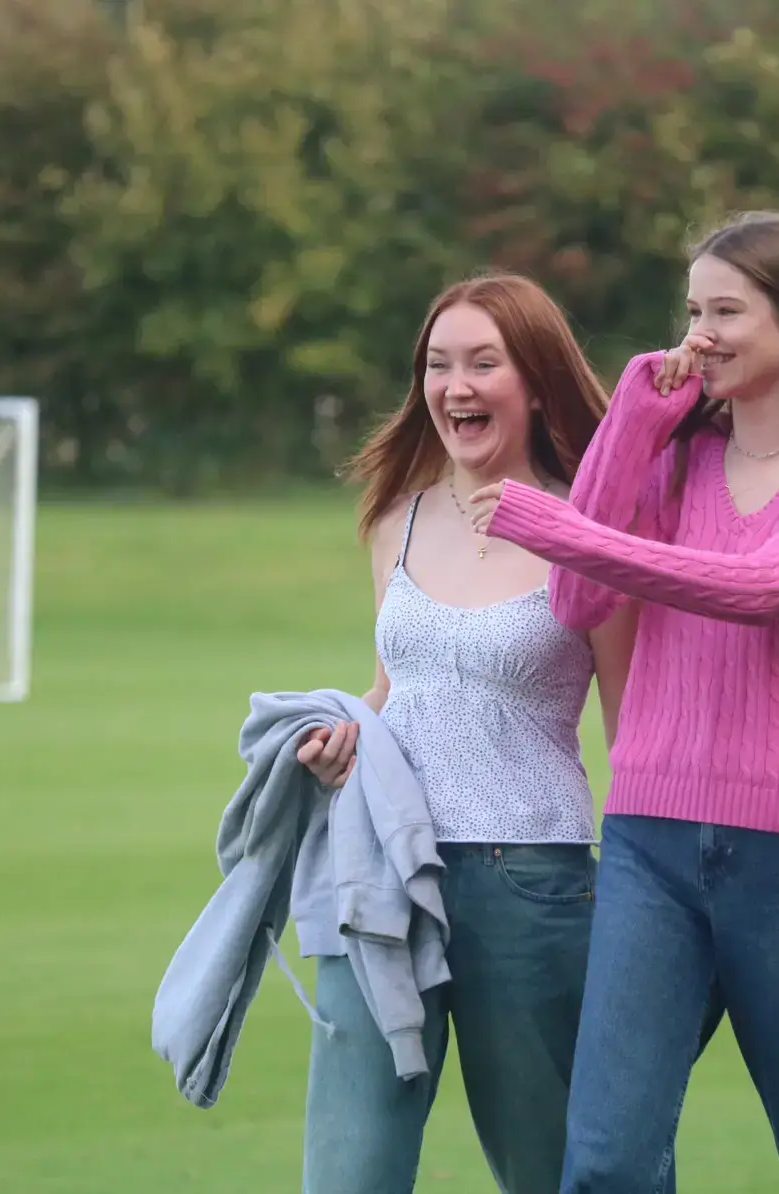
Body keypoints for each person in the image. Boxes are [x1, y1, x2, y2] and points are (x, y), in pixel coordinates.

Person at [468, 211, 779, 1194]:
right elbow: (579, 599)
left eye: (726, 310)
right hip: (647, 846)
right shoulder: (673, 457)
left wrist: (553, 526)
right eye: (690, 311)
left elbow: (767, 587)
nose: (699, 333)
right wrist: (633, 419)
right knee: (604, 1168)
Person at [292, 272, 638, 1194]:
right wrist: (341, 744)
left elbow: (632, 725)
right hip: (380, 869)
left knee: (551, 1171)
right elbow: (392, 687)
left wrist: (654, 900)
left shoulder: (591, 531)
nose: (457, 386)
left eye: (485, 362)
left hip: (528, 881)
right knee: (349, 1172)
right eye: (439, 365)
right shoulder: (393, 521)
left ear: (534, 381)